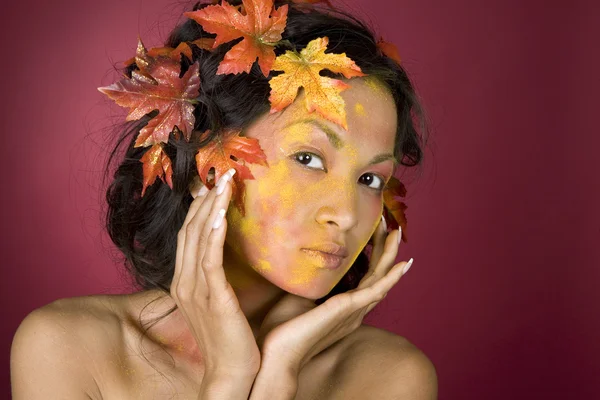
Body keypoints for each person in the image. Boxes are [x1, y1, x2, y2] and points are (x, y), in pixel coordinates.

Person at [10, 0, 437, 398]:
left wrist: (280, 370)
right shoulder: (66, 349)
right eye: (308, 158)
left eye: (369, 178)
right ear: (206, 162)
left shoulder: (388, 377)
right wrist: (229, 379)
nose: (345, 215)